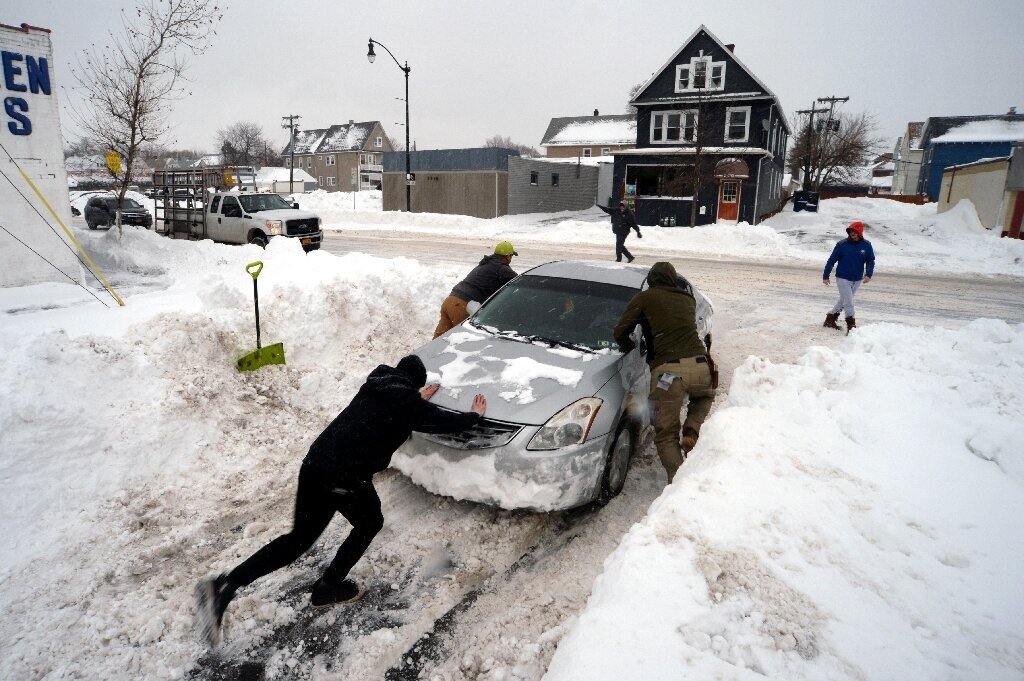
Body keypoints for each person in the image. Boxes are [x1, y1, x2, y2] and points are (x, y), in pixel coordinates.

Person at [194, 354, 486, 647]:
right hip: (344, 476)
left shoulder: (377, 386)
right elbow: (444, 423)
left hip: (316, 463)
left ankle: (225, 584)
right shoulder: (406, 404)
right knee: (370, 522)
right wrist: (474, 415)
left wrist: (414, 399)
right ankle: (327, 588)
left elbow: (401, 407)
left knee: (298, 539)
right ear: (415, 385)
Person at [613, 262, 716, 483]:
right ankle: (692, 429)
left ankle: (682, 485)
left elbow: (621, 330)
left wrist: (627, 345)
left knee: (666, 433)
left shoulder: (645, 298)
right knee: (704, 397)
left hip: (668, 374)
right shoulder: (688, 300)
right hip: (700, 365)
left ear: (651, 280)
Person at [433, 241, 518, 338]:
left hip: (450, 301)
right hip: (462, 305)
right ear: (507, 256)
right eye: (511, 256)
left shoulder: (485, 263)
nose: (511, 259)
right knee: (464, 339)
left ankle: (428, 353)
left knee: (438, 340)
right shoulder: (502, 268)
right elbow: (519, 282)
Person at [822, 221, 875, 334]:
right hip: (843, 278)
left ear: (859, 232)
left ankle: (830, 319)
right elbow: (831, 260)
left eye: (854, 232)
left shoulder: (866, 245)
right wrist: (826, 276)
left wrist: (868, 274)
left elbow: (870, 260)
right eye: (850, 232)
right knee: (849, 302)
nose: (852, 234)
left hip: (857, 279)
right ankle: (851, 327)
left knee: (844, 300)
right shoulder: (842, 244)